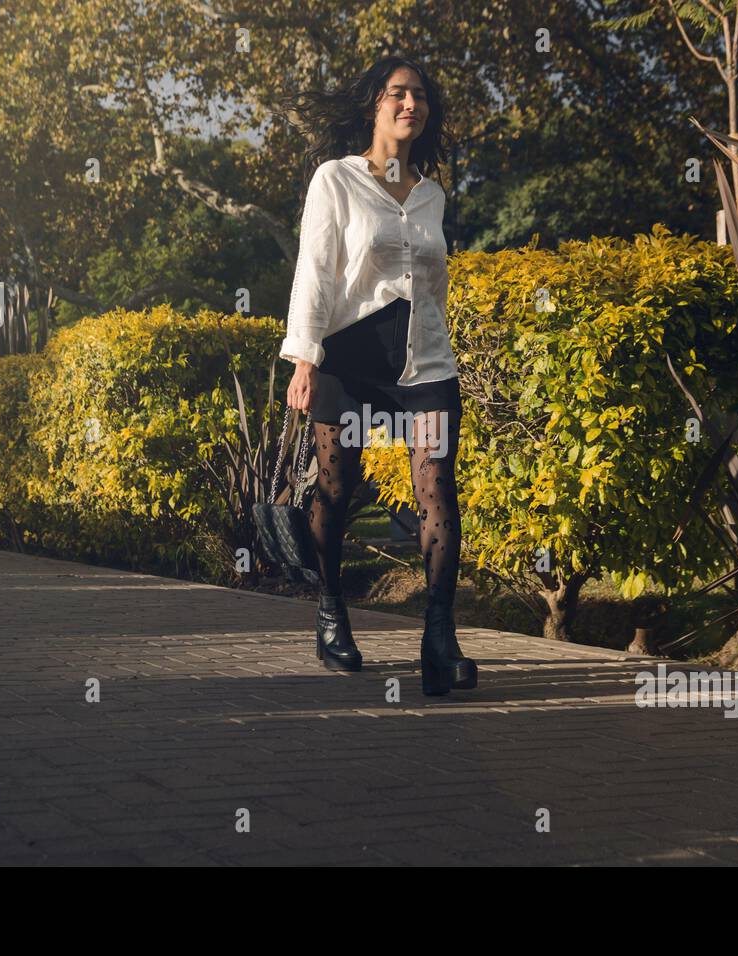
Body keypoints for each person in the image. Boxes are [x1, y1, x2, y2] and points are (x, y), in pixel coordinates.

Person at [278, 56, 477, 696]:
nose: (410, 104)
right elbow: (315, 269)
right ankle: (332, 606)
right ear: (375, 103)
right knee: (339, 492)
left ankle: (439, 641)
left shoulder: (431, 193)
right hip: (348, 356)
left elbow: (434, 287)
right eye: (399, 93)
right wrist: (306, 359)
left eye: (421, 95)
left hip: (423, 362)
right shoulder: (335, 180)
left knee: (437, 486)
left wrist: (439, 353)